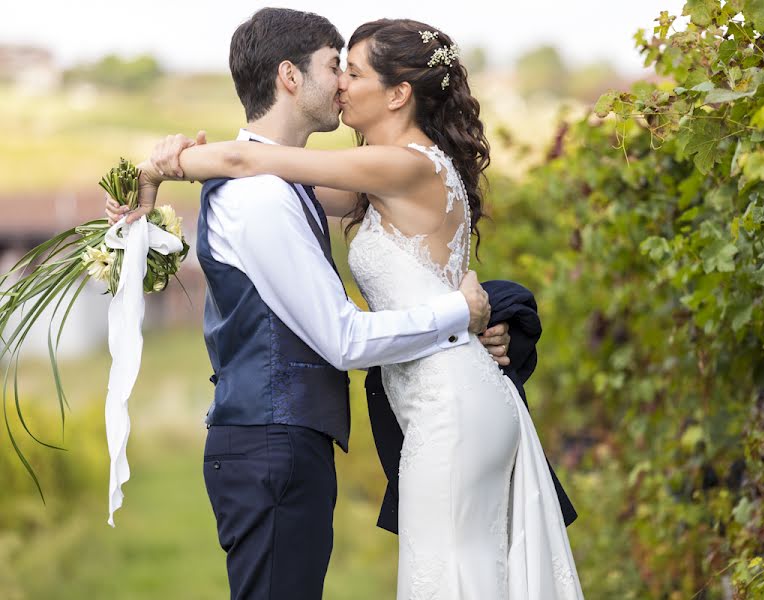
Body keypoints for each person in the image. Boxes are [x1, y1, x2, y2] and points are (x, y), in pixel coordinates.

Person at [112, 15, 583, 600]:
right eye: (336, 67)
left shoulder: (400, 164)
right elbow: (273, 173)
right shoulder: (373, 178)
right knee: (457, 568)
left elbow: (252, 162)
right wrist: (155, 193)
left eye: (351, 71)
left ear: (398, 93)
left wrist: (164, 166)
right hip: (436, 396)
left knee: (450, 572)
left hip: (449, 400)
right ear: (289, 76)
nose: (341, 84)